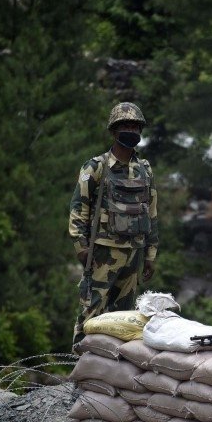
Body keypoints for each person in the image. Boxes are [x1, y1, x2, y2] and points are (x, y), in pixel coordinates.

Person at [69, 102, 159, 347]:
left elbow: (151, 214)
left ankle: (114, 370)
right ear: (113, 131)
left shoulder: (144, 170)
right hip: (102, 251)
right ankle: (80, 366)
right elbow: (79, 209)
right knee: (91, 312)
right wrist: (82, 248)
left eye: (135, 126)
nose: (131, 130)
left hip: (134, 253)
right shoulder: (96, 167)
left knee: (125, 318)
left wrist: (150, 255)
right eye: (125, 126)